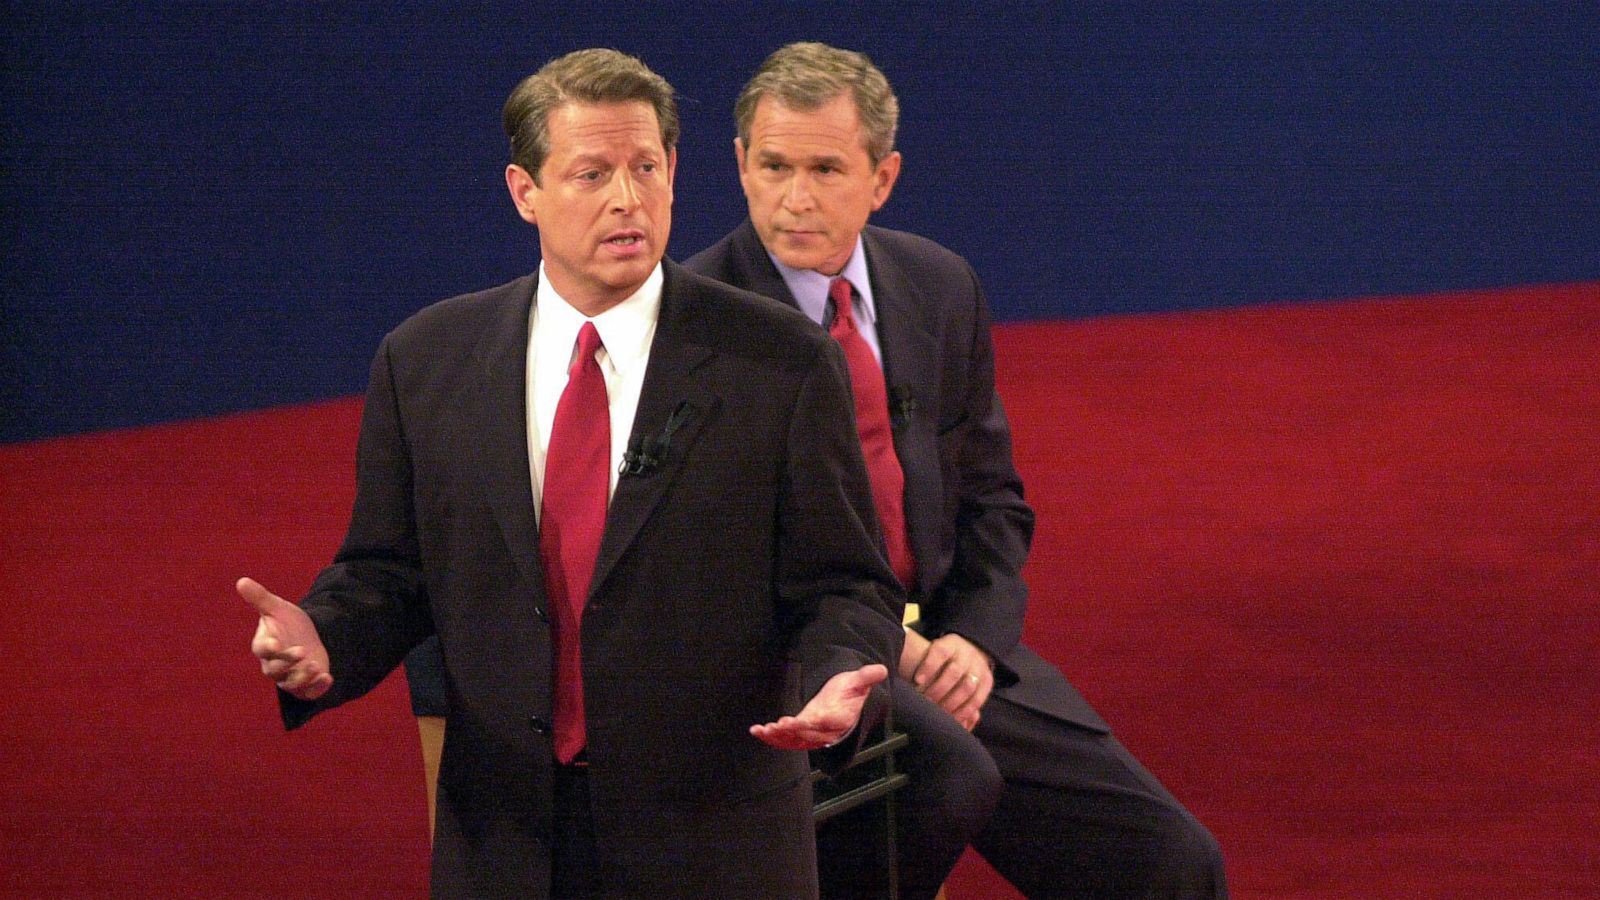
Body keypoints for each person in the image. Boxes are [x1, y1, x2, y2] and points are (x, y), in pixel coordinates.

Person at [239, 48, 904, 899]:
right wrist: (324, 637)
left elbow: (847, 585)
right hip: (508, 842)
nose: (627, 198)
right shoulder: (427, 361)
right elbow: (390, 571)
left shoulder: (780, 363)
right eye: (592, 174)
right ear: (525, 192)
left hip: (713, 842)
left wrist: (840, 674)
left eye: (646, 168)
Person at [686, 42, 1228, 899]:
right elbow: (721, 563)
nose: (796, 197)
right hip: (805, 663)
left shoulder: (938, 287)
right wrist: (896, 652)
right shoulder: (696, 325)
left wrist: (974, 641)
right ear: (740, 164)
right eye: (774, 164)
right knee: (948, 779)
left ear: (883, 177)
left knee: (1172, 863)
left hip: (949, 645)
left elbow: (992, 503)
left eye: (827, 168)